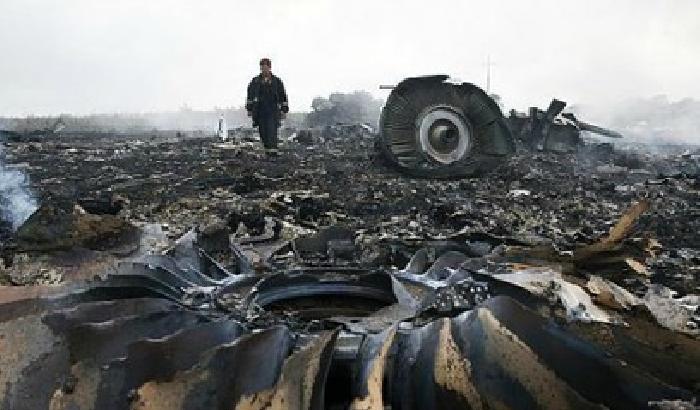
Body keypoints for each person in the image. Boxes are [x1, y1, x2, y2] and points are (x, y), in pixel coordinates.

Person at [245, 58, 289, 150]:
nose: (264, 70)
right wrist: (249, 109)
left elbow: (283, 96)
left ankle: (273, 151)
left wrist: (284, 110)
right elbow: (250, 96)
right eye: (262, 68)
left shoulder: (277, 81)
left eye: (265, 68)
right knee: (263, 132)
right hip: (260, 111)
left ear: (269, 68)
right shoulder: (255, 82)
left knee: (271, 131)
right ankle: (267, 150)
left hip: (273, 111)